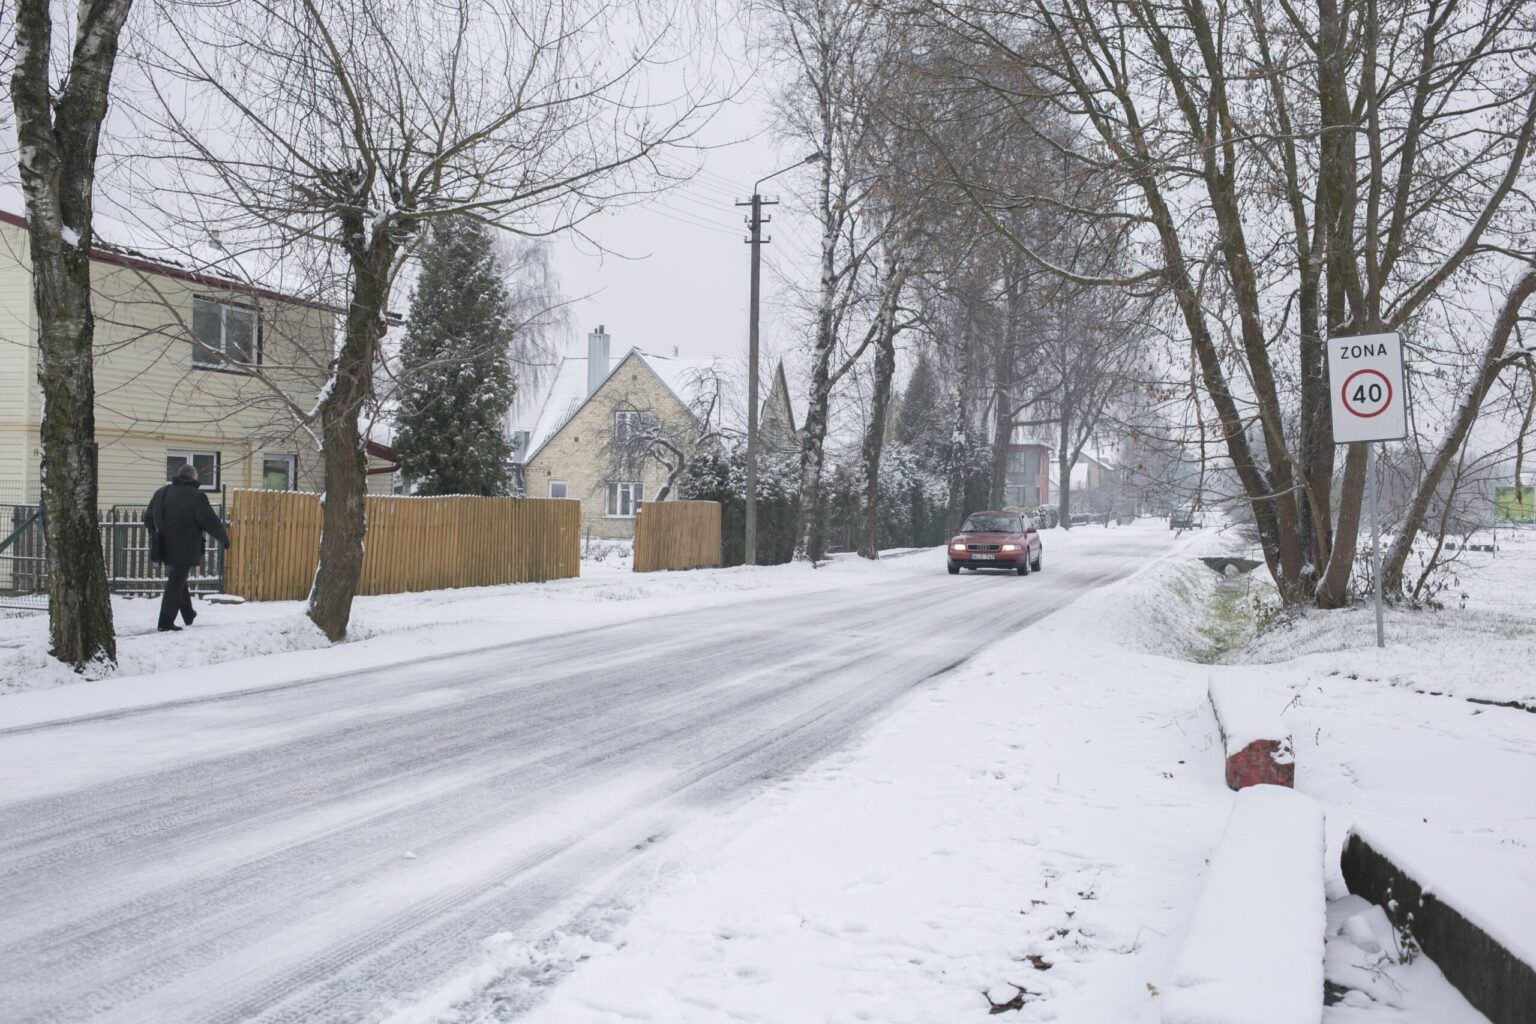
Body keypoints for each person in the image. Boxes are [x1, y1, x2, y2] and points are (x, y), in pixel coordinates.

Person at [143, 464, 229, 632]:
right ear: (193, 478)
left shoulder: (162, 493)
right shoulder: (196, 496)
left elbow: (148, 518)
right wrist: (223, 539)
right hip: (185, 547)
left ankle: (188, 614)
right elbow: (209, 521)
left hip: (163, 547)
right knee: (175, 583)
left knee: (177, 579)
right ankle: (165, 622)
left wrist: (157, 533)